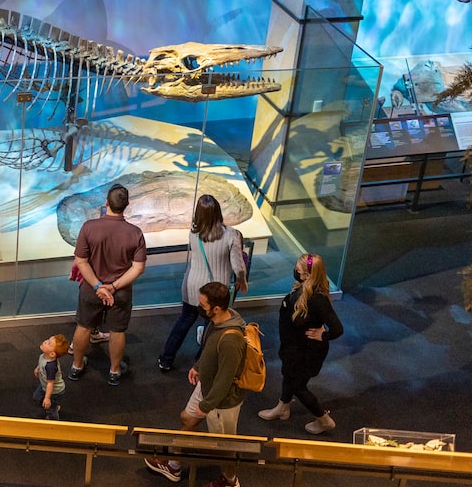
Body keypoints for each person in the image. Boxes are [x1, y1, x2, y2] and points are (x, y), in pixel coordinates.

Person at [145, 281, 246, 487]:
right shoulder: (216, 321)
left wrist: (206, 406)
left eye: (203, 305)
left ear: (216, 308)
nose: (199, 308)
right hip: (206, 388)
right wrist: (199, 366)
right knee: (187, 418)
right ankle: (174, 466)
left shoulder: (230, 340)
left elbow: (225, 380)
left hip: (221, 402)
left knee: (224, 447)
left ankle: (230, 480)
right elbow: (209, 347)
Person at [158, 194, 247, 371]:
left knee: (184, 321)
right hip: (216, 291)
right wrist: (241, 280)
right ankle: (200, 363)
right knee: (212, 327)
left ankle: (166, 359)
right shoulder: (232, 235)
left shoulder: (193, 233)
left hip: (193, 287)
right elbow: (239, 267)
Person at [69, 183, 147, 386]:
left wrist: (98, 286)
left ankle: (77, 366)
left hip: (90, 290)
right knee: (117, 331)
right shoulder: (135, 233)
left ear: (106, 203)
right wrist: (112, 287)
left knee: (84, 326)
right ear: (127, 204)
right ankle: (114, 371)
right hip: (119, 292)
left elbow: (81, 261)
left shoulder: (88, 227)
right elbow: (138, 268)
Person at [257, 253, 343, 434]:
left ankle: (324, 420)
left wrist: (323, 335)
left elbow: (337, 329)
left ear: (308, 275)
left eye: (298, 270)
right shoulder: (302, 289)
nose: (295, 273)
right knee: (288, 376)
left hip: (307, 352)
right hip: (292, 348)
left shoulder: (318, 299)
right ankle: (282, 408)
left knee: (298, 385)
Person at [32, 334, 70, 420]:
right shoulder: (43, 355)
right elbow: (41, 363)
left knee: (50, 409)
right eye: (47, 340)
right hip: (44, 385)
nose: (45, 342)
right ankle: (53, 405)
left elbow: (50, 383)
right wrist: (38, 368)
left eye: (49, 343)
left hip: (54, 391)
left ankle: (54, 423)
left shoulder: (51, 367)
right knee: (36, 397)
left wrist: (47, 398)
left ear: (52, 354)